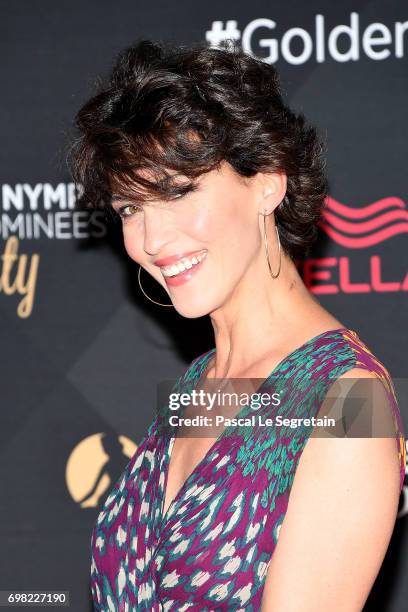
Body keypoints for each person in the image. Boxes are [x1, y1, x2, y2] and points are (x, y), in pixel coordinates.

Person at [70, 39, 406, 611]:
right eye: (131, 209)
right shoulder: (201, 379)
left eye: (178, 192)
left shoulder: (349, 402)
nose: (151, 241)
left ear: (267, 183)